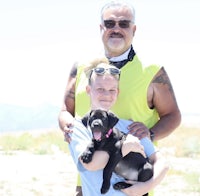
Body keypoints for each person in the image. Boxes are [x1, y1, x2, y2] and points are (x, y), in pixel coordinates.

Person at [58, 0, 181, 195]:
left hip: (133, 180)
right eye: (110, 23)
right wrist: (70, 129)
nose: (116, 29)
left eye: (124, 23)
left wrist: (149, 134)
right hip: (89, 181)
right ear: (101, 27)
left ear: (134, 29)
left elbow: (173, 115)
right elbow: (66, 111)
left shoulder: (152, 71)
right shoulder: (82, 67)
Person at [68, 61, 169, 196]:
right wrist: (125, 147)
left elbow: (162, 162)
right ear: (88, 90)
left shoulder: (128, 126)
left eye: (112, 90)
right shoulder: (79, 127)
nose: (106, 95)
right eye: (100, 89)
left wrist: (145, 187)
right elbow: (91, 164)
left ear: (117, 93)